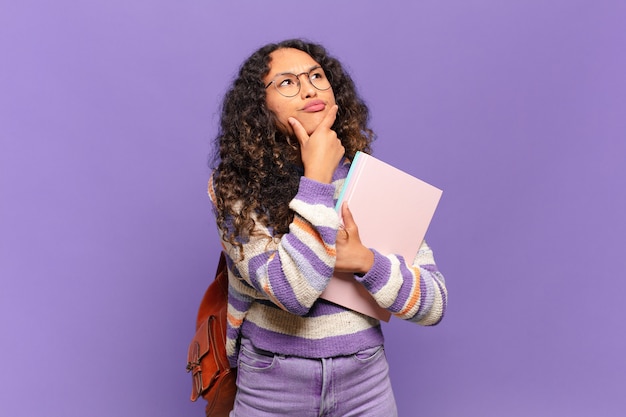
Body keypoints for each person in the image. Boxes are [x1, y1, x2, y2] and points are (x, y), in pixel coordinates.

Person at [208, 39, 447, 417]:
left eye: (316, 76)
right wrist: (316, 176)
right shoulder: (235, 191)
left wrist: (365, 261)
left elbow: (433, 303)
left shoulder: (367, 179)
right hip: (272, 381)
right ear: (259, 106)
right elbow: (292, 292)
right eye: (287, 82)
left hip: (365, 380)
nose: (308, 88)